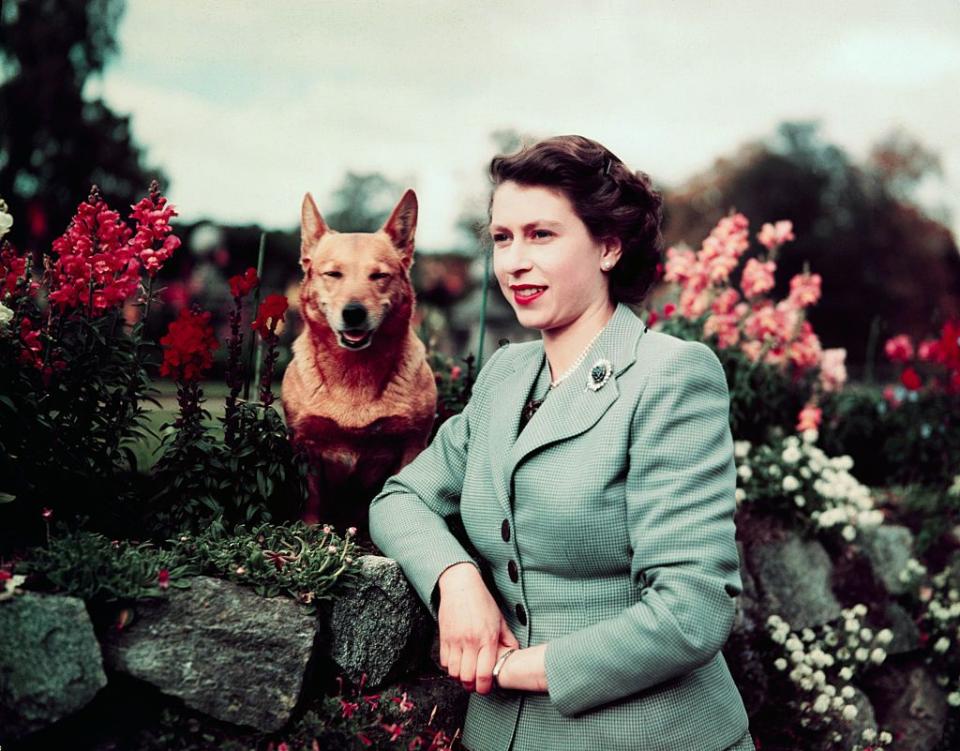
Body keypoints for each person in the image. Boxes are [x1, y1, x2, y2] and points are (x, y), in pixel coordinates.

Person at [368, 134, 755, 751]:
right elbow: (399, 499)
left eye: (541, 235)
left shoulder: (671, 375)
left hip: (648, 735)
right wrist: (457, 579)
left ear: (607, 246)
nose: (514, 261)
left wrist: (512, 668)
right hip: (499, 737)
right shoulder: (504, 375)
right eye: (502, 237)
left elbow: (692, 611)